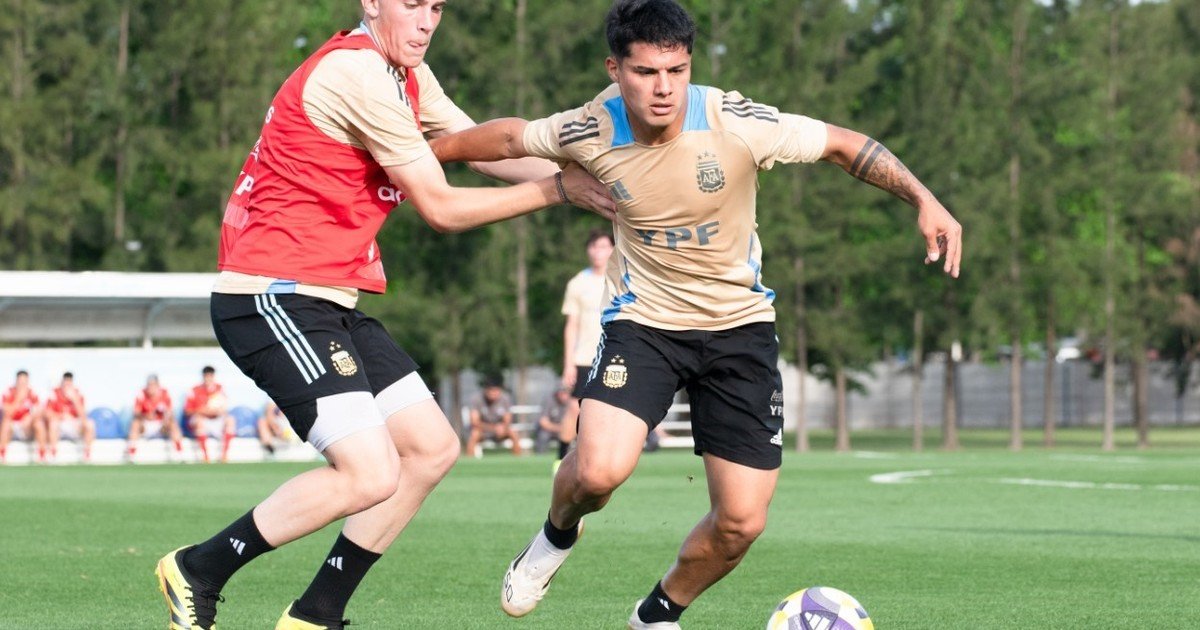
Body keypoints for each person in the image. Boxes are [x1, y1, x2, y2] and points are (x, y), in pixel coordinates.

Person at [430, 1, 963, 627]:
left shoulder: (735, 121)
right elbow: (507, 138)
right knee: (599, 471)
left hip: (739, 329)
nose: (663, 89)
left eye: (676, 71)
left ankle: (657, 612)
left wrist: (924, 197)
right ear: (615, 68)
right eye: (646, 72)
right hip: (643, 322)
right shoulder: (590, 126)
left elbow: (844, 146)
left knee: (741, 522)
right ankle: (554, 536)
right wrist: (418, 152)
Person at [155, 1, 615, 628]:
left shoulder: (405, 76)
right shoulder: (359, 74)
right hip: (271, 296)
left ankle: (316, 614)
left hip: (327, 301)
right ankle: (198, 569)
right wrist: (559, 189)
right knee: (368, 472)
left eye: (437, 7)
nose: (427, 21)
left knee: (430, 448)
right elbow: (443, 209)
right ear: (372, 2)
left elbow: (485, 151)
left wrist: (611, 187)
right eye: (413, 4)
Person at [557, 230, 614, 468]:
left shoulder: (621, 278)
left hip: (613, 354)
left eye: (602, 246)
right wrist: (568, 363)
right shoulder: (578, 283)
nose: (598, 251)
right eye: (593, 246)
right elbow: (571, 326)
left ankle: (603, 460)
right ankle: (560, 459)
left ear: (612, 249)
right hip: (584, 357)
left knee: (609, 410)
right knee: (574, 407)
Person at [184, 366, 236, 464]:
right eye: (206, 376)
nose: (208, 378)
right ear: (203, 376)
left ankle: (224, 456)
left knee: (230, 419)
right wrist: (202, 411)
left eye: (210, 376)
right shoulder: (194, 390)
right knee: (199, 421)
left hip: (216, 420)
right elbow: (187, 411)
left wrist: (219, 411)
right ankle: (205, 457)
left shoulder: (220, 389)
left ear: (213, 376)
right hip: (202, 420)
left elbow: (224, 407)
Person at [128, 375, 184, 460]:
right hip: (145, 425)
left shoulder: (165, 393)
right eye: (149, 384)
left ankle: (180, 454)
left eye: (153, 385)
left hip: (160, 425)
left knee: (173, 423)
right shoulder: (141, 394)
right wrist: (146, 416)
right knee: (135, 423)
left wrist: (165, 420)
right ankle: (132, 456)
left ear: (158, 385)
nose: (151, 387)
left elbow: (170, 412)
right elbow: (136, 412)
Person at [44, 372, 96, 462]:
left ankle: (87, 453)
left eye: (69, 382)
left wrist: (74, 400)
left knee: (90, 424)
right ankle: (53, 453)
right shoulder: (54, 393)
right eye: (65, 382)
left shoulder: (77, 394)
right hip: (60, 425)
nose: (67, 385)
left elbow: (84, 416)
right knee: (53, 423)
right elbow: (47, 413)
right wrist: (61, 416)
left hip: (74, 425)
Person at [464, 378, 523, 457]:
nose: (493, 394)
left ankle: (517, 459)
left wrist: (503, 427)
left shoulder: (505, 398)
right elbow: (474, 422)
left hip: (501, 431)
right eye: (491, 391)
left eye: (496, 391)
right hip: (483, 431)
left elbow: (508, 420)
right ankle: (470, 460)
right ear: (486, 390)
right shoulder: (477, 399)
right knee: (474, 434)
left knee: (514, 433)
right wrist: (493, 428)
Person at [0, 370, 47, 463]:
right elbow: (7, 412)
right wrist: (19, 399)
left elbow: (41, 411)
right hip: (12, 428)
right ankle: (2, 454)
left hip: (27, 428)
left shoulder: (33, 393)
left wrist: (30, 417)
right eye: (20, 382)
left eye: (24, 382)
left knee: (38, 423)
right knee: (6, 422)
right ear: (16, 381)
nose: (22, 384)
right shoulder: (9, 392)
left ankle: (42, 455)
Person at [534, 386, 572, 456]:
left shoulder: (571, 402)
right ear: (557, 393)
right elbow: (543, 422)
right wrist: (559, 428)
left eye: (566, 393)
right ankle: (540, 456)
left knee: (575, 435)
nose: (564, 396)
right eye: (562, 393)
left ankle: (568, 457)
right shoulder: (549, 401)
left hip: (564, 430)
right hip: (550, 430)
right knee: (543, 435)